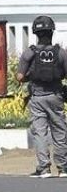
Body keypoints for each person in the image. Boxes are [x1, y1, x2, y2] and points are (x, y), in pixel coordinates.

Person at [16, 16, 67, 178]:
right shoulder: (61, 53)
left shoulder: (30, 52)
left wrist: (30, 76)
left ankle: (44, 168)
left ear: (35, 33)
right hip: (56, 96)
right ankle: (63, 167)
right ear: (51, 31)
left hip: (37, 97)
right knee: (60, 131)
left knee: (40, 132)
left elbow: (19, 77)